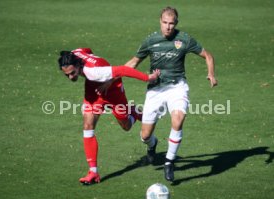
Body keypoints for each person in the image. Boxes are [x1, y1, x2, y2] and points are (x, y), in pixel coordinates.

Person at [125, 7, 218, 182]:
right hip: (155, 90)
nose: (168, 27)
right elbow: (134, 62)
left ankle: (169, 162)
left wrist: (211, 73)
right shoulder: (150, 40)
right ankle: (152, 146)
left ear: (176, 23)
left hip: (177, 87)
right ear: (160, 21)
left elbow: (208, 55)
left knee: (178, 118)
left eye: (172, 23)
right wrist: (115, 75)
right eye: (165, 23)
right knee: (145, 135)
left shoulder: (184, 39)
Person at [58, 48, 160, 185]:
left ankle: (133, 113)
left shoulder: (94, 72)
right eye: (67, 75)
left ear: (78, 65)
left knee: (126, 126)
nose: (71, 77)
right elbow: (86, 50)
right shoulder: (74, 54)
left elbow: (123, 70)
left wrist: (148, 77)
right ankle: (93, 172)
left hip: (113, 90)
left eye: (72, 73)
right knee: (87, 126)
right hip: (93, 90)